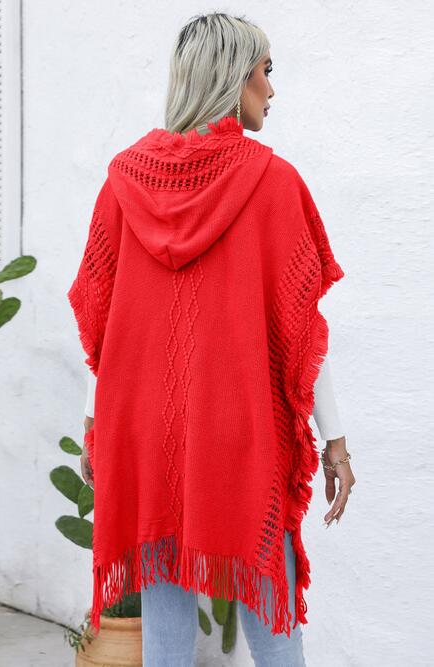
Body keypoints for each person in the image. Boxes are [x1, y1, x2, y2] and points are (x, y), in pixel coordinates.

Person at [68, 12, 356, 667]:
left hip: (147, 433)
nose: (271, 89)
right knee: (273, 629)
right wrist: (334, 439)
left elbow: (102, 326)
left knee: (165, 633)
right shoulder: (275, 183)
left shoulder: (122, 181)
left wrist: (94, 423)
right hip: (241, 435)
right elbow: (302, 327)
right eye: (265, 71)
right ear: (232, 77)